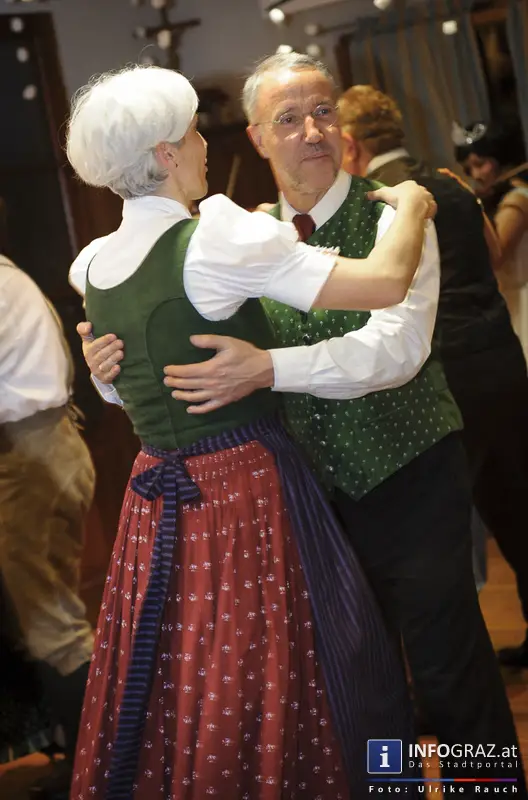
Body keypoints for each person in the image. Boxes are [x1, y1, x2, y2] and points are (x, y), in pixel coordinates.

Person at [86, 54, 526, 791]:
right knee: (364, 678)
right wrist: (113, 365)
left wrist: (267, 367)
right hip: (303, 494)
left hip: (409, 472)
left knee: (451, 671)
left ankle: (493, 787)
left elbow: (398, 347)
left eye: (324, 112)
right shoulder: (243, 234)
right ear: (257, 138)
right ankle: (395, 788)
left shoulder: (396, 214)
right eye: (289, 119)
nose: (312, 130)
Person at [339, 84, 528, 669]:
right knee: (521, 512)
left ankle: (452, 683)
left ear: (351, 146)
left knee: (444, 542)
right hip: (502, 362)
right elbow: (494, 256)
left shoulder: (373, 204)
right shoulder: (451, 183)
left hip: (447, 376)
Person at [0, 200, 95, 800]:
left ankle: (100, 769)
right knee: (40, 621)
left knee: (51, 627)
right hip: (38, 448)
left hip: (32, 456)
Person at [454, 118, 528, 359]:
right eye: (468, 169)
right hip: (510, 299)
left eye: (480, 164)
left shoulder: (517, 199)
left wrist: (471, 202)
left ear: (499, 159)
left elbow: (496, 256)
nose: (475, 175)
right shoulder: (498, 199)